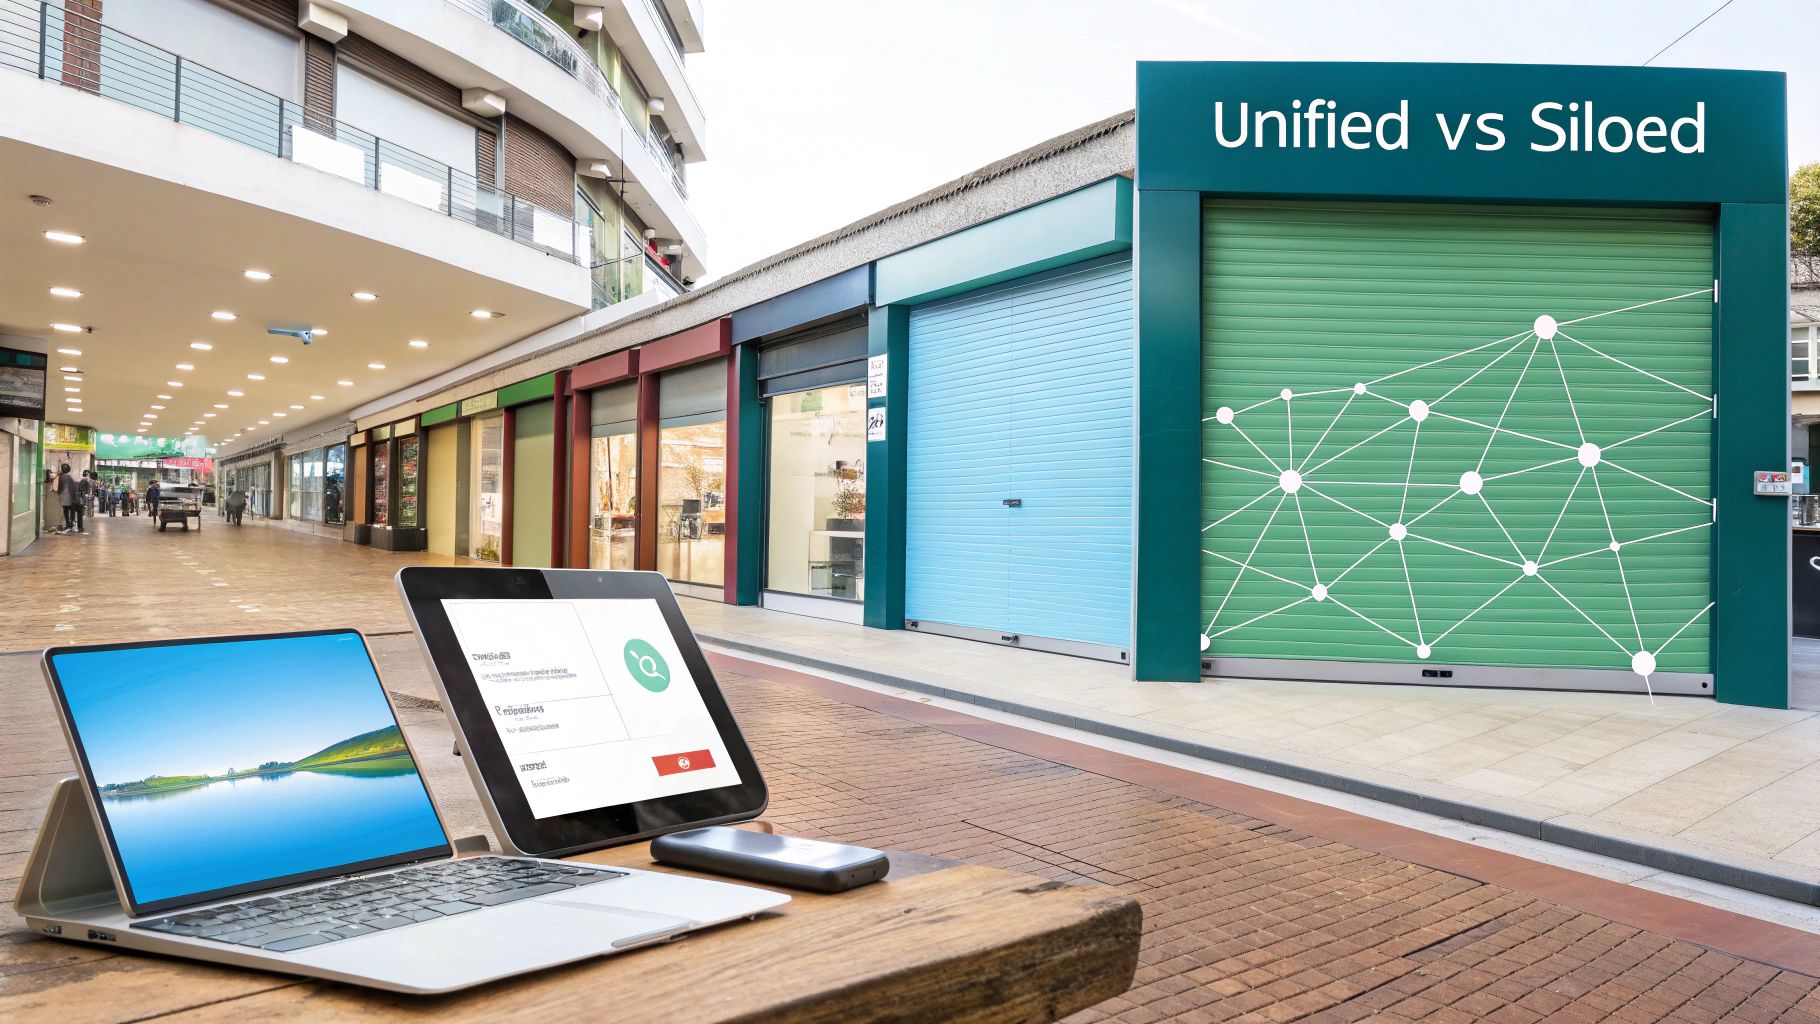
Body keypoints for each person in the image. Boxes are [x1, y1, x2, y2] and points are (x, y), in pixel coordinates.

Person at [53, 463, 78, 534]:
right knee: (70, 510)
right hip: (69, 496)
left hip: (63, 496)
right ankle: (70, 524)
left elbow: (58, 487)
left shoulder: (61, 476)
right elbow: (73, 488)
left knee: (65, 510)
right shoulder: (69, 477)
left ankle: (68, 524)